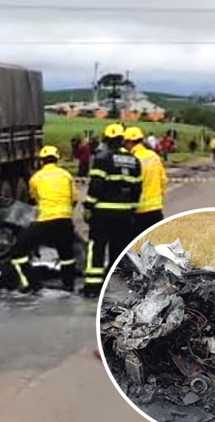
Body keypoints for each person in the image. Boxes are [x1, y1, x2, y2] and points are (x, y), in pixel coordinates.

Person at [82, 123, 142, 297]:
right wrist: (131, 208)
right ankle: (114, 287)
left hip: (102, 213)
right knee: (119, 250)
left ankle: (93, 287)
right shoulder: (134, 160)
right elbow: (137, 189)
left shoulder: (102, 158)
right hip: (124, 215)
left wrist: (88, 206)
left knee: (97, 248)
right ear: (123, 140)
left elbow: (96, 186)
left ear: (106, 140)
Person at [9, 145, 79, 292]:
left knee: (18, 251)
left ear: (42, 161)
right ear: (57, 160)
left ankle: (29, 283)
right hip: (65, 220)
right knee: (66, 254)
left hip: (45, 221)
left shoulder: (36, 178)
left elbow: (34, 199)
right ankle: (69, 284)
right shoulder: (66, 175)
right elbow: (74, 199)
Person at [124, 127, 168, 235]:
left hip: (138, 210)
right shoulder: (154, 156)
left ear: (129, 142)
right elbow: (163, 179)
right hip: (155, 209)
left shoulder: (131, 158)